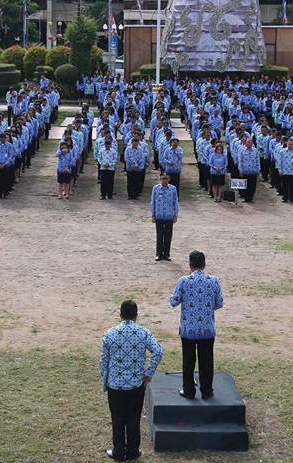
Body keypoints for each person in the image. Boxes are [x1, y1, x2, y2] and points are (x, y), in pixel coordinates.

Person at [99, 300, 163, 463]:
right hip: (136, 385)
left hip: (115, 385)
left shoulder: (109, 334)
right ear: (136, 315)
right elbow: (158, 351)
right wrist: (148, 373)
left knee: (118, 419)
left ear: (120, 315)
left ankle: (118, 451)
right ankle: (133, 451)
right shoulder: (143, 333)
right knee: (134, 419)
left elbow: (103, 362)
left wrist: (105, 380)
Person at [169, 251, 223, 400]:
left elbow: (173, 302)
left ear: (190, 264)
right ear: (204, 264)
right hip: (207, 329)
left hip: (188, 330)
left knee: (188, 361)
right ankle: (206, 391)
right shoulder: (214, 281)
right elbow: (219, 303)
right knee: (207, 361)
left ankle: (189, 391)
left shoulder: (184, 281)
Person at [150, 172, 179, 262]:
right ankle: (158, 254)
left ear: (169, 179)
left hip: (169, 216)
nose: (164, 180)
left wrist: (175, 215)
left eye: (166, 178)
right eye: (163, 178)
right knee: (159, 235)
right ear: (160, 179)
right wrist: (153, 215)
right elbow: (153, 202)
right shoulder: (156, 188)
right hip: (159, 216)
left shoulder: (173, 189)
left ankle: (166, 254)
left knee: (168, 236)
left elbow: (175, 202)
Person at [278, 138, 293, 204]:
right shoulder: (282, 151)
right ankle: (285, 198)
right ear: (287, 144)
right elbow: (280, 161)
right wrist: (280, 170)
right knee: (284, 185)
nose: (290, 145)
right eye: (289, 144)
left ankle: (292, 198)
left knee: (292, 186)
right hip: (284, 171)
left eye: (291, 144)